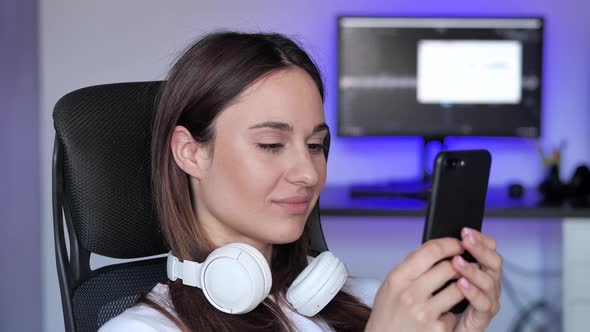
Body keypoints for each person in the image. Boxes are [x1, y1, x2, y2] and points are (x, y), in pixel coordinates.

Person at [100, 31, 502, 332]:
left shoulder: (374, 302)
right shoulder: (143, 329)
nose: (310, 173)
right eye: (271, 144)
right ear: (191, 152)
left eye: (315, 144)